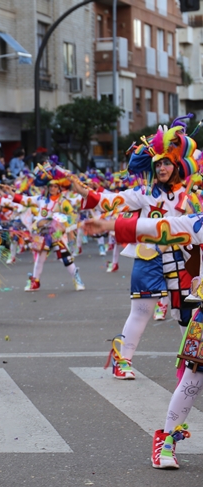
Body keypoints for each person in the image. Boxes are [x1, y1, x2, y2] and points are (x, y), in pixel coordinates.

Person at [70, 118, 198, 380]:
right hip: (149, 257)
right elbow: (110, 200)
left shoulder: (190, 196)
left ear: (176, 165)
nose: (161, 168)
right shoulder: (143, 193)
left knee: (186, 314)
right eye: (157, 164)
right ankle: (122, 361)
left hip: (181, 259)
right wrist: (81, 189)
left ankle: (193, 360)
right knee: (142, 311)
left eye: (166, 163)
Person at [84, 211, 203, 468]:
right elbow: (158, 225)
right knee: (193, 380)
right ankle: (167, 440)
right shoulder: (199, 223)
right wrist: (109, 224)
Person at [8, 164, 85, 293]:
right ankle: (35, 282)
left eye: (55, 186)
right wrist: (12, 193)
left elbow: (72, 217)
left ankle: (77, 279)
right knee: (40, 258)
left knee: (65, 257)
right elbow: (25, 200)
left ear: (59, 188)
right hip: (42, 234)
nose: (52, 188)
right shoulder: (41, 199)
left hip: (57, 234)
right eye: (50, 186)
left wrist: (63, 227)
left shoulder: (63, 202)